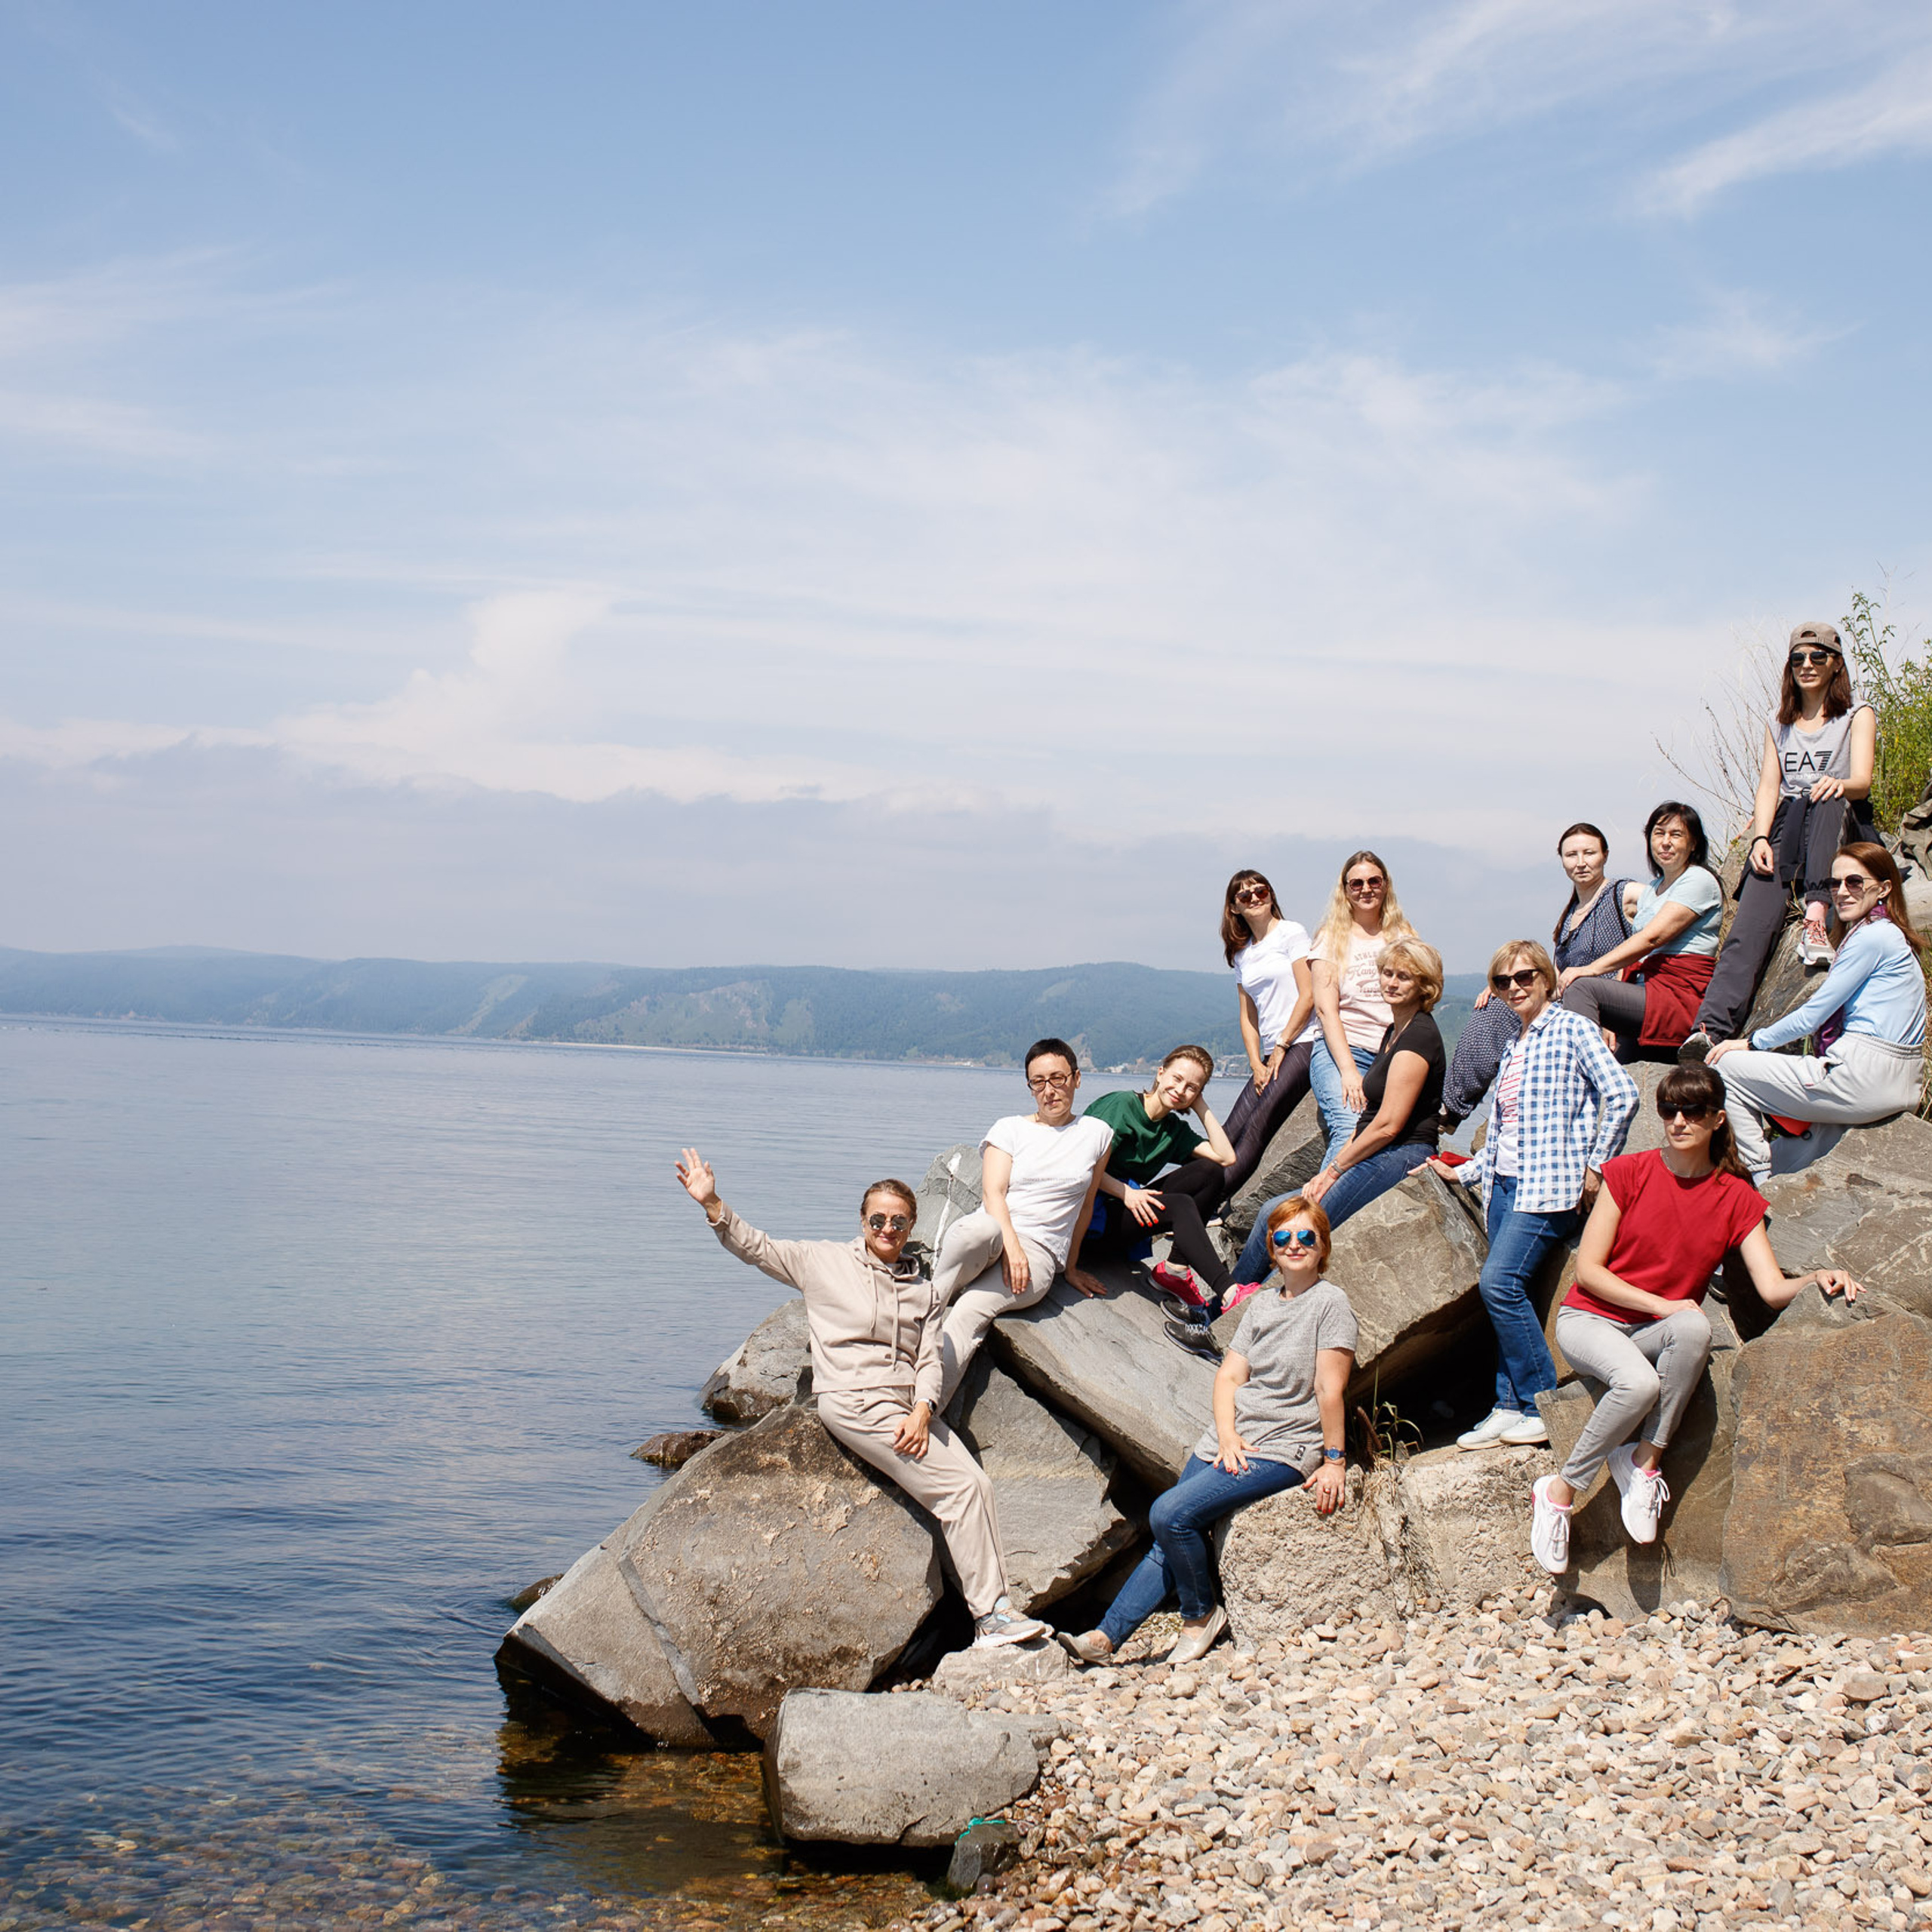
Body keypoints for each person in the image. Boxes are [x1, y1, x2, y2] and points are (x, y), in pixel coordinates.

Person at [674, 1151, 1048, 1648]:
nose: (887, 1229)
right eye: (878, 1219)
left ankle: (996, 1611)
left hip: (906, 1408)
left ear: (911, 1226)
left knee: (976, 1483)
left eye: (898, 1221)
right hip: (854, 1401)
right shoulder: (824, 1262)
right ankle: (990, 1617)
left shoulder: (923, 1291)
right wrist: (713, 1203)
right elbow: (757, 1247)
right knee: (957, 1489)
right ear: (862, 1220)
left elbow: (930, 1362)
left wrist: (923, 1411)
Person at [1529, 1064, 1863, 1574]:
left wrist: (1818, 1277)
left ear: (1718, 1118)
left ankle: (1644, 1462)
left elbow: (1772, 1289)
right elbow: (1589, 1272)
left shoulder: (1736, 1198)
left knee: (1696, 1327)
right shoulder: (1629, 1172)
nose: (1678, 1121)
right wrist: (1662, 1304)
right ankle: (1559, 1491)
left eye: (1692, 1111)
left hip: (1656, 1329)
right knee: (1639, 1383)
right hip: (1590, 1320)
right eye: (1668, 1109)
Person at [1054, 1197, 1354, 1669]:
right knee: (1168, 1532)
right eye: (1282, 1237)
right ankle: (1106, 1637)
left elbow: (1328, 1389)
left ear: (1323, 1247)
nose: (1294, 1245)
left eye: (1305, 1237)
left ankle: (1200, 1615)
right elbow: (1229, 1377)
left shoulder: (1331, 1304)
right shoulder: (1261, 1304)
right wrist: (1227, 1436)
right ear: (1271, 1249)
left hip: (1283, 1446)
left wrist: (1335, 1461)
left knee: (1169, 1514)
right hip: (1233, 1439)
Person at [1426, 940, 1638, 1451]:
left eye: (1525, 977)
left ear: (1546, 978)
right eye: (1503, 981)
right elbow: (1505, 1130)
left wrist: (1597, 1166)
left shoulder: (1572, 1028)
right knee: (1504, 1293)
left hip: (1549, 1188)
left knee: (1499, 1285)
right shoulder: (1513, 1044)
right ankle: (1507, 1405)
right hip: (1504, 1184)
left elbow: (1623, 1094)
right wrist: (1467, 1172)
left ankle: (1542, 1404)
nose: (1515, 988)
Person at [1681, 624, 1878, 1059]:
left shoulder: (1857, 713)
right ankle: (1709, 1031)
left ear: (1836, 664)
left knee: (1825, 795)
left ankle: (1817, 915)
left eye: (1818, 657)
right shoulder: (1779, 721)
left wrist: (1836, 784)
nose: (1807, 665)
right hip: (1789, 829)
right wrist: (1760, 838)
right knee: (1747, 930)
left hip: (1839, 818)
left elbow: (1862, 781)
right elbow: (1769, 786)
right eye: (1798, 658)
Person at [1222, 941, 1447, 1291]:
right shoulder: (1394, 1031)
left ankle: (1256, 1308)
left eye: (1404, 977)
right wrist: (1329, 1170)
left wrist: (1335, 1169)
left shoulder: (1419, 1036)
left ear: (1424, 985)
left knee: (1301, 1228)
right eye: (1387, 973)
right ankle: (1226, 1299)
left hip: (1402, 1154)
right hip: (1379, 1151)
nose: (1391, 982)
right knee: (1271, 1212)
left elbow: (1389, 1125)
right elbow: (1369, 1117)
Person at [1708, 843, 1927, 1187]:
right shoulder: (1893, 936)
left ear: (1884, 888)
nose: (1842, 892)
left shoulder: (1872, 937)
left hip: (1864, 1074)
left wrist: (1751, 1042)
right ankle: (1774, 1181)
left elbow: (1812, 1015)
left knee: (1724, 1067)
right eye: (1834, 883)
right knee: (1800, 1152)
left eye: (1854, 882)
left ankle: (1754, 1180)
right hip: (1899, 1080)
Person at [931, 1037, 1112, 1407]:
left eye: (1058, 1078)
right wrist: (1012, 1249)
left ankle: (926, 1407)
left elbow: (1087, 1204)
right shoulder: (1009, 1128)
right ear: (1030, 1087)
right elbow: (993, 1194)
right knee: (975, 1228)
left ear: (1077, 1079)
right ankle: (929, 1303)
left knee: (969, 1311)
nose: (1049, 1091)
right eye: (1038, 1082)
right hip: (995, 1234)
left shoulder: (1097, 1134)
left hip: (1039, 1255)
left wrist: (1070, 1268)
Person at [1441, 823, 1634, 1132]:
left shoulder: (1622, 893)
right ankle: (1449, 1110)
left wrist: (1615, 1012)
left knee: (1500, 1012)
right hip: (1568, 1001)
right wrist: (1506, 985)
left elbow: (1655, 933)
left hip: (1606, 1005)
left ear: (1605, 855)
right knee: (1493, 1007)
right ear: (1562, 860)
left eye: (1589, 853)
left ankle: (1449, 1110)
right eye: (1571, 855)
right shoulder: (1572, 913)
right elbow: (1556, 977)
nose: (1580, 862)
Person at [1558, 801, 1722, 1060]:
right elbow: (1638, 956)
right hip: (1647, 991)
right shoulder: (1653, 889)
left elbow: (1652, 938)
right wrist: (1611, 1014)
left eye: (1676, 835)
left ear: (1693, 844)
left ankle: (1582, 1074)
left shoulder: (1698, 879)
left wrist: (1590, 969)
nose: (1665, 842)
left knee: (1582, 988)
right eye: (1659, 834)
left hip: (1678, 994)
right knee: (1621, 1066)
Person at [1079, 1045, 1238, 1312]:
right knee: (1180, 1206)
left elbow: (1226, 1157)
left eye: (1191, 1087)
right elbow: (1078, 1164)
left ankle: (1175, 1269)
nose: (1181, 1090)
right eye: (1177, 1078)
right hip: (1086, 1221)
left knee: (1210, 1172)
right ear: (1160, 1073)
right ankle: (1230, 1291)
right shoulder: (1121, 1106)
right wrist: (1125, 1193)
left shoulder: (1172, 1130)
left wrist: (1200, 1106)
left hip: (1121, 1217)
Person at [1308, 850, 1417, 1166]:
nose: (1366, 889)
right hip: (1345, 1050)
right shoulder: (1330, 938)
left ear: (1385, 885)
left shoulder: (1404, 935)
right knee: (1351, 1128)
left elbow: (1420, 994)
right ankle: (1320, 1198)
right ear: (1345, 890)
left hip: (1391, 1054)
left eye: (1374, 881)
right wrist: (1348, 1071)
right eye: (1356, 883)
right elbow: (1326, 1011)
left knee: (1390, 1135)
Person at [1217, 869, 1320, 1198]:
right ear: (1234, 907)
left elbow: (1309, 995)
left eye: (1261, 891)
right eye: (1245, 896)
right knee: (1228, 1132)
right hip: (1272, 1052)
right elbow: (1248, 1016)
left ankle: (1210, 1201)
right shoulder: (1242, 953)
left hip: (1304, 1041)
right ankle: (1192, 1195)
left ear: (1271, 895)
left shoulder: (1291, 933)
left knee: (1256, 1128)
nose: (1255, 898)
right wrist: (1255, 1064)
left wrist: (1281, 1046)